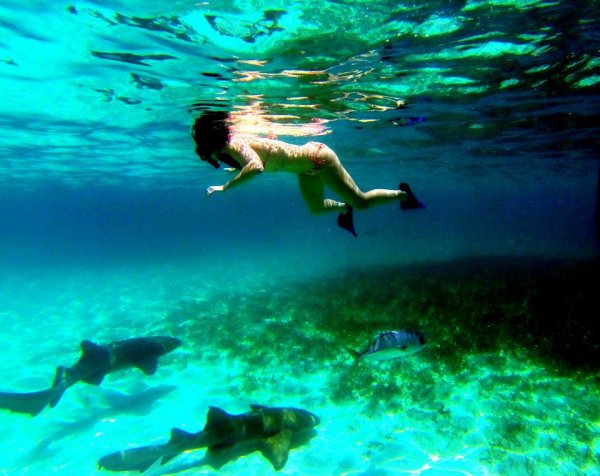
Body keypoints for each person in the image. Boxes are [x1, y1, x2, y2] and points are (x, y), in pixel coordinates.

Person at [192, 111, 424, 237]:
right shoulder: (231, 147)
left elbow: (256, 167)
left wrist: (225, 187)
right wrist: (238, 168)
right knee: (316, 209)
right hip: (306, 170)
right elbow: (253, 160)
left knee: (362, 201)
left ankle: (404, 194)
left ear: (209, 140)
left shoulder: (233, 144)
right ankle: (345, 207)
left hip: (319, 159)